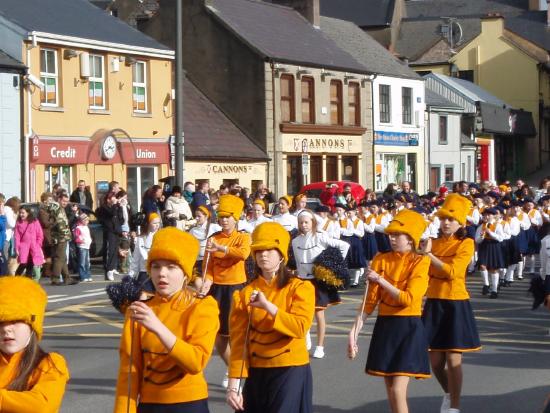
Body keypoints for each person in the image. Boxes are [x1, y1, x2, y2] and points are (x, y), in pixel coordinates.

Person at [113, 227, 220, 413]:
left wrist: (157, 327)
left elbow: (196, 362)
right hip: (149, 404)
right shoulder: (139, 309)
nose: (162, 273)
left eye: (171, 267)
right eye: (156, 266)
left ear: (186, 273)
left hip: (189, 404)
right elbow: (129, 371)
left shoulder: (202, 306)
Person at [226, 222, 315, 413]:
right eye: (258, 251)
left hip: (290, 368)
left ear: (282, 255)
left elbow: (299, 327)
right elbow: (239, 343)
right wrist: (233, 385)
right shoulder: (244, 294)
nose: (263, 255)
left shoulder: (299, 287)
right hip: (257, 372)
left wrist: (268, 307)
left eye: (269, 250)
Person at [348, 209, 430, 413]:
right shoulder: (381, 259)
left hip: (408, 326)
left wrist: (380, 280)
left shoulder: (420, 261)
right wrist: (353, 333)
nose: (392, 239)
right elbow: (370, 301)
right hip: (385, 325)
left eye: (397, 235)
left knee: (397, 389)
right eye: (390, 235)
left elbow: (408, 299)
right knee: (389, 388)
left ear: (411, 239)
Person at [419, 194, 481, 413]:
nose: (446, 223)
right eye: (443, 218)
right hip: (434, 301)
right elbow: (426, 271)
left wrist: (431, 258)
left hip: (455, 302)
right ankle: (449, 393)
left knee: (454, 359)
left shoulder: (466, 242)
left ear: (460, 223)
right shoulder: (432, 242)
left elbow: (454, 272)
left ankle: (455, 406)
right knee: (435, 361)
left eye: (451, 220)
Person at [201, 194, 251, 388]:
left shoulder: (243, 237)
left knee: (237, 336)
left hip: (237, 288)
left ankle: (237, 373)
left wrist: (221, 248)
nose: (223, 220)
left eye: (227, 217)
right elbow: (208, 266)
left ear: (235, 218)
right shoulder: (212, 238)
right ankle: (233, 369)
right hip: (217, 290)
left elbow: (243, 254)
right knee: (220, 339)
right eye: (221, 217)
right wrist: (207, 282)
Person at [0, 276, 69, 410]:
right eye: (0, 323)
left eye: (15, 321)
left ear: (32, 327)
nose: (6, 329)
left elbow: (41, 406)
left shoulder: (50, 363)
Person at [292, 210, 349, 359]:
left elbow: (344, 246)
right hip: (302, 281)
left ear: (313, 223)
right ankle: (306, 336)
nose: (303, 225)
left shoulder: (320, 237)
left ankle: (320, 346)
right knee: (302, 312)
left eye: (306, 222)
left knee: (319, 314)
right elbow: (298, 262)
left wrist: (333, 266)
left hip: (317, 281)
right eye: (301, 222)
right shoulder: (295, 241)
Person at [475, 208, 505, 298]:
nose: (486, 217)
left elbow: (501, 238)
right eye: (484, 215)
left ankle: (494, 290)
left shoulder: (497, 225)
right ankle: (486, 285)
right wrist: (481, 237)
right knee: (482, 266)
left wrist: (490, 233)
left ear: (493, 216)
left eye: (488, 215)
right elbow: (477, 240)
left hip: (494, 247)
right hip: (484, 247)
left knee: (493, 269)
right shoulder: (480, 227)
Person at [51, 193, 78, 285]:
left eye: (67, 201)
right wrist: (64, 233)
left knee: (63, 258)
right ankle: (55, 278)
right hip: (60, 236)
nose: (65, 203)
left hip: (63, 236)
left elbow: (67, 222)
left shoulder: (61, 209)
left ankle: (67, 277)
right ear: (59, 199)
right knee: (59, 257)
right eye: (63, 201)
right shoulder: (57, 208)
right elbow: (60, 224)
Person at [97, 191, 122, 281]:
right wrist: (115, 205)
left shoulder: (115, 207)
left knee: (115, 250)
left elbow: (121, 219)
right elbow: (111, 213)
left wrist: (120, 207)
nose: (115, 199)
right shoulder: (104, 208)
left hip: (116, 231)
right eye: (113, 198)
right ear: (108, 200)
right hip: (109, 231)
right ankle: (108, 270)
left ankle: (112, 268)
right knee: (110, 250)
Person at [14, 205, 44, 280]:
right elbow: (17, 237)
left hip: (33, 247)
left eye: (23, 213)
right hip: (24, 247)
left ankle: (28, 283)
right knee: (23, 264)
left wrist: (38, 244)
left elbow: (40, 234)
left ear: (28, 213)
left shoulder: (35, 221)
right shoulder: (19, 223)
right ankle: (15, 279)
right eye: (20, 213)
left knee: (30, 266)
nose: (21, 215)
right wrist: (17, 248)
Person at [74, 213, 92, 282]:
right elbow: (76, 238)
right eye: (86, 220)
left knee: (87, 262)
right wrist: (81, 241)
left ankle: (88, 275)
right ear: (82, 220)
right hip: (82, 246)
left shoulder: (86, 227)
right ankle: (82, 276)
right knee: (82, 262)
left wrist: (90, 240)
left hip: (87, 246)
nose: (87, 222)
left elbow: (88, 235)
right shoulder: (78, 228)